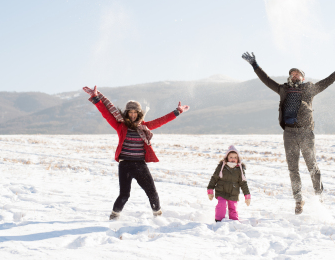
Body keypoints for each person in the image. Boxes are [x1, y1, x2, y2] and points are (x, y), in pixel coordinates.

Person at [241, 52, 335, 214]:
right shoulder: (283, 89)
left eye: (298, 74)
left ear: (303, 77)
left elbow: (327, 82)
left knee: (312, 166)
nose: (294, 75)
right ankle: (298, 200)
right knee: (293, 169)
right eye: (292, 73)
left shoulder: (309, 89)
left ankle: (319, 196)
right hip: (289, 134)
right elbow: (266, 80)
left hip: (306, 133)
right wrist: (255, 65)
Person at [83, 85, 190, 220]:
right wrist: (96, 98)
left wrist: (177, 112)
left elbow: (161, 121)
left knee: (152, 192)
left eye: (135, 112)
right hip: (125, 166)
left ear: (139, 113)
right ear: (126, 113)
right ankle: (114, 217)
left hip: (140, 165)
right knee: (124, 195)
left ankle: (158, 217)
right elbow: (106, 113)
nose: (132, 115)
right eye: (130, 112)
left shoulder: (145, 126)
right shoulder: (120, 125)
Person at [207, 145, 251, 222]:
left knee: (233, 208)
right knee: (222, 205)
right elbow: (214, 178)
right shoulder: (222, 167)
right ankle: (218, 221)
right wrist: (210, 189)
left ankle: (234, 222)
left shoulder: (239, 169)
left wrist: (247, 195)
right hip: (221, 191)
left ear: (238, 159)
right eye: (231, 157)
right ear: (227, 158)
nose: (233, 159)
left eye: (235, 157)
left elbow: (243, 183)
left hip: (233, 192)